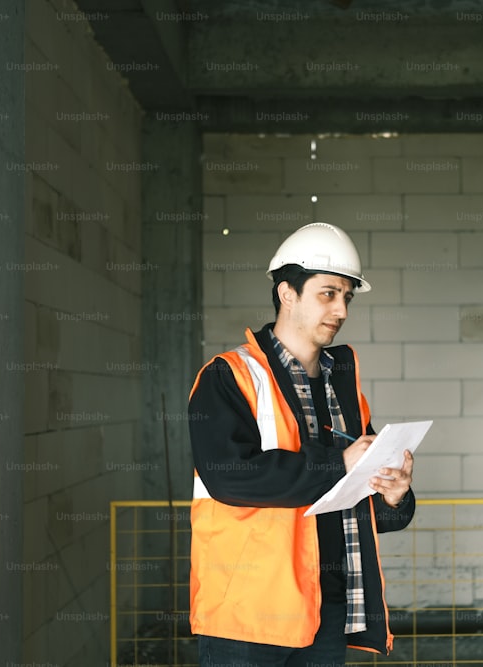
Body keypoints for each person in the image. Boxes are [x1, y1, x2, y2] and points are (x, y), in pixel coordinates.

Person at [187, 222, 416, 667]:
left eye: (347, 296)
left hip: (324, 612)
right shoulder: (229, 377)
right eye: (328, 293)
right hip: (247, 617)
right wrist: (338, 464)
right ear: (287, 293)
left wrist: (393, 496)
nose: (342, 309)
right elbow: (229, 477)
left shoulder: (344, 390)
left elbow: (355, 498)